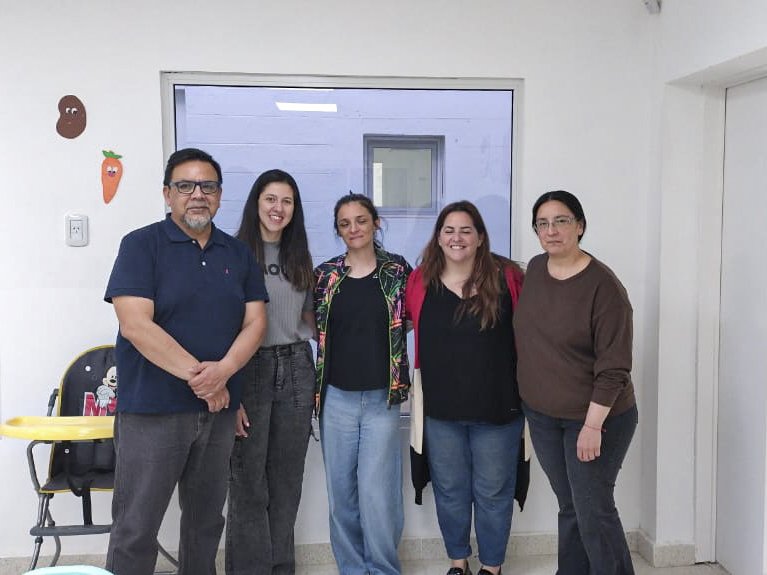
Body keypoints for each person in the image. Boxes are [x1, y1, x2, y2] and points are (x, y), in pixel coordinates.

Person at [104, 148, 268, 575]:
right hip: (152, 411)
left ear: (219, 195)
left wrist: (223, 374)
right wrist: (205, 380)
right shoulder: (141, 245)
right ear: (167, 194)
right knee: (136, 527)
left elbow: (256, 323)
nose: (198, 194)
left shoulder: (238, 253)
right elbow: (135, 324)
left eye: (208, 186)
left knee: (204, 525)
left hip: (218, 413)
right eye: (185, 186)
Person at [514, 190, 637, 575]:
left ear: (580, 226)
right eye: (542, 223)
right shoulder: (536, 269)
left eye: (561, 221)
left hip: (595, 419)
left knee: (593, 509)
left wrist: (592, 425)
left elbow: (615, 368)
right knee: (570, 506)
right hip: (543, 416)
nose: (551, 231)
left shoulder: (604, 287)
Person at [405, 201, 525, 575]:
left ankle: (491, 567)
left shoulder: (507, 278)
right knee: (450, 492)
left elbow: (535, 331)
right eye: (449, 230)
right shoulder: (420, 281)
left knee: (493, 493)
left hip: (499, 409)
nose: (457, 238)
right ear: (439, 238)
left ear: (480, 237)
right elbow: (396, 326)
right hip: (441, 413)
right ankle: (458, 563)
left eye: (466, 230)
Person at [313, 193, 411, 575]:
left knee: (378, 494)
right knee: (341, 495)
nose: (353, 228)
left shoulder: (398, 271)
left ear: (375, 223)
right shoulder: (325, 275)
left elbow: (411, 319)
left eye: (361, 220)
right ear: (338, 230)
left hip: (382, 399)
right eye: (345, 223)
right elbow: (313, 326)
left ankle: (383, 569)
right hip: (336, 399)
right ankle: (352, 569)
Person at [225, 169, 316, 575]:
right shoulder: (233, 254)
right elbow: (222, 327)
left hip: (297, 367)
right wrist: (231, 392)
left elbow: (310, 320)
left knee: (286, 481)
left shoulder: (299, 257)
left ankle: (281, 568)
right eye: (271, 199)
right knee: (247, 481)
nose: (278, 208)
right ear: (256, 203)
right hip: (250, 369)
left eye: (287, 201)